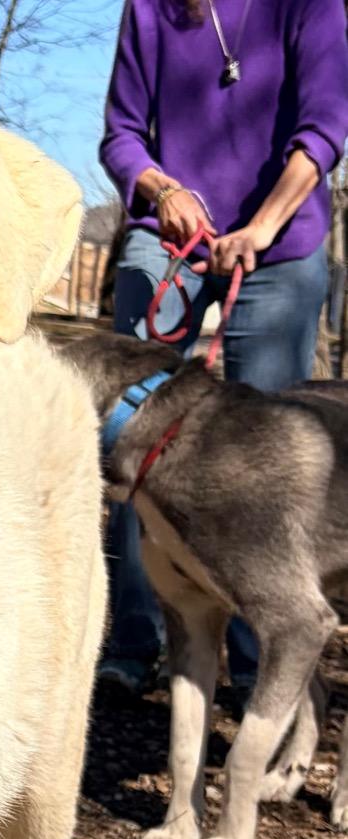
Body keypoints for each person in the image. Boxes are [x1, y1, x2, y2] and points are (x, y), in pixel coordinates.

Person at [98, 0, 348, 695]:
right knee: (129, 435)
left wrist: (262, 228)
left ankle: (256, 647)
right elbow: (121, 135)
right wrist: (163, 187)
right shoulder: (150, 9)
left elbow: (324, 130)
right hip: (174, 238)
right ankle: (135, 636)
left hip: (280, 241)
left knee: (264, 455)